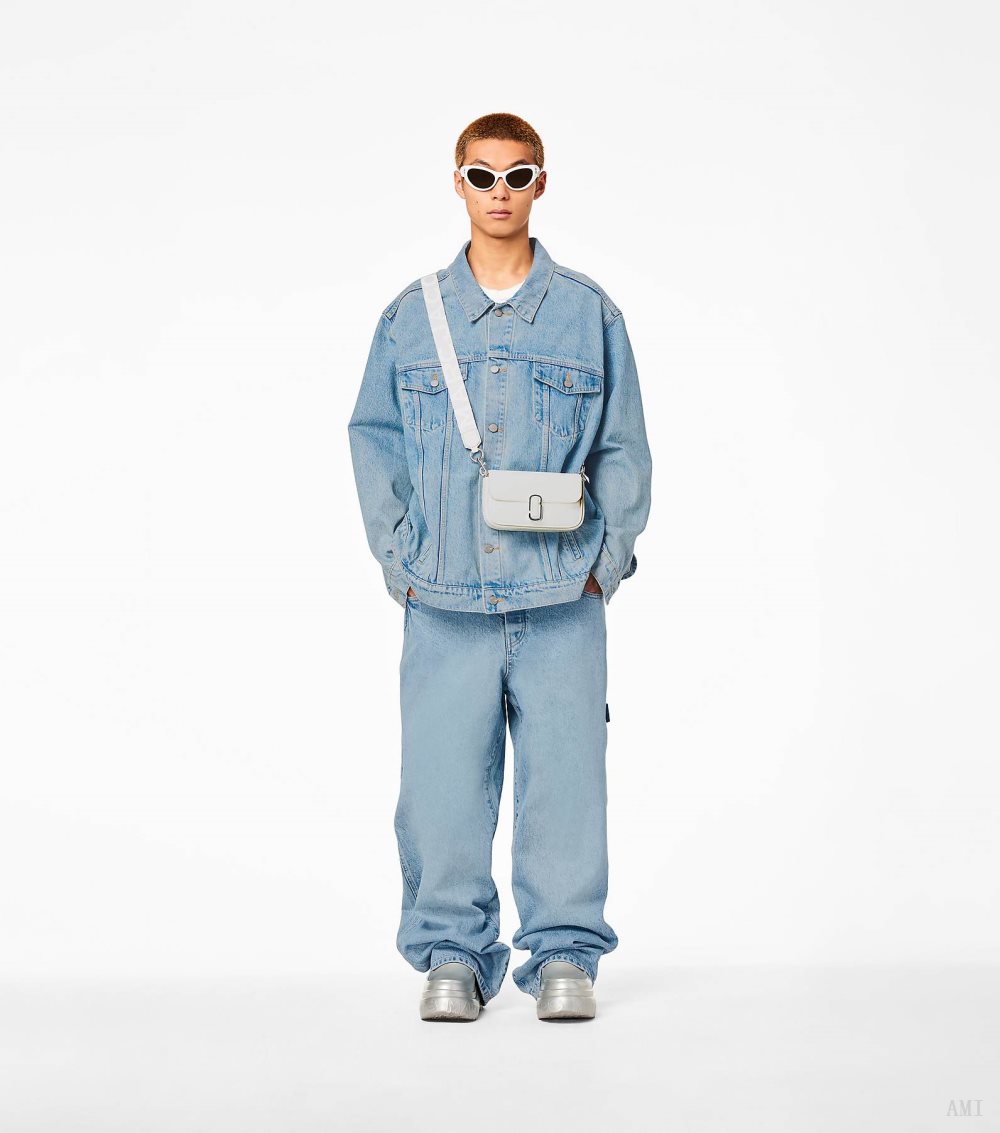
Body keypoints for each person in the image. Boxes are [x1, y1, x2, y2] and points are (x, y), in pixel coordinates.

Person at [347, 112, 652, 1021]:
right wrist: (401, 558)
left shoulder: (590, 314)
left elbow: (624, 447)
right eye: (482, 175)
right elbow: (373, 438)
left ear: (541, 183)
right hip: (443, 599)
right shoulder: (411, 318)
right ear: (458, 182)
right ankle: (451, 951)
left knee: (566, 783)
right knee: (440, 786)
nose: (500, 192)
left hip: (561, 597)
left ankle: (564, 953)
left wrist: (603, 562)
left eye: (518, 175)